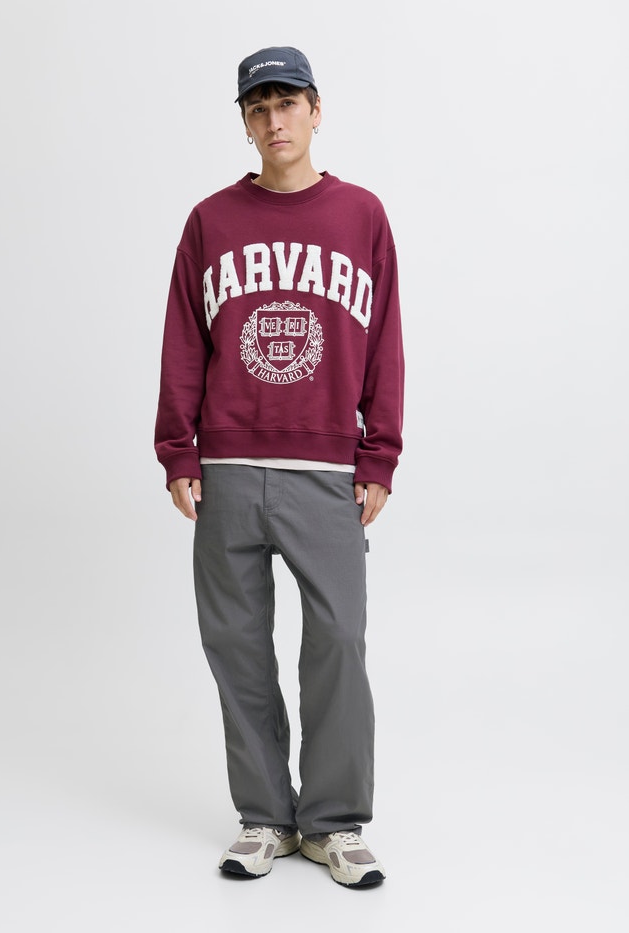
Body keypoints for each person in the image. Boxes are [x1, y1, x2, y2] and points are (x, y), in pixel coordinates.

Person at [154, 46, 404, 887]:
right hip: (226, 467)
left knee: (338, 640)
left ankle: (333, 822)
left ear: (316, 110)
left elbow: (386, 341)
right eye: (257, 107)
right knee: (236, 645)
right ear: (245, 122)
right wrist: (177, 447)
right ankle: (265, 815)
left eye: (287, 102)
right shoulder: (210, 221)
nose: (274, 120)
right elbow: (184, 339)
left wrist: (380, 451)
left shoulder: (362, 216)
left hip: (327, 470)